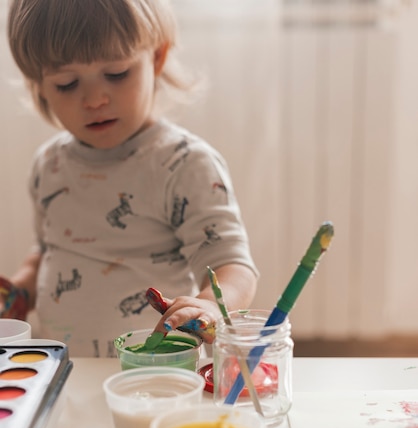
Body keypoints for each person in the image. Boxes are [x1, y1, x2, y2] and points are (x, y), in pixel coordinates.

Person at [2, 0, 258, 357]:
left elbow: (233, 266)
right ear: (40, 86)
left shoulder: (184, 164)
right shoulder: (48, 164)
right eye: (67, 83)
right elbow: (46, 250)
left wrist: (210, 306)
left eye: (117, 73)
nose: (94, 99)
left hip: (156, 368)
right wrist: (20, 289)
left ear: (156, 58)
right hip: (63, 365)